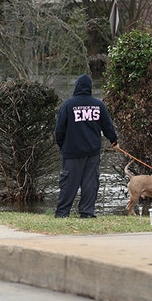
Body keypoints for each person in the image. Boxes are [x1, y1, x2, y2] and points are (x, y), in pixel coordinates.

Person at [54, 74, 118, 219]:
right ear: (90, 87)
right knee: (90, 183)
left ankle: (62, 213)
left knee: (69, 183)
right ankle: (87, 212)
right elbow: (108, 126)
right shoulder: (98, 105)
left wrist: (61, 145)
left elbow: (59, 130)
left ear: (76, 86)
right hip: (92, 151)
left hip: (72, 151)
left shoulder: (68, 105)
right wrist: (113, 140)